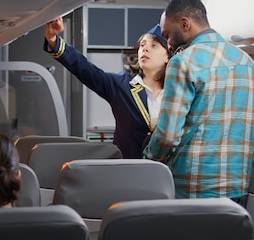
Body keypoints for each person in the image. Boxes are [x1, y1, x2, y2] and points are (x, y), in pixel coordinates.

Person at [143, 0, 254, 201]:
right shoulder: (248, 62)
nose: (169, 43)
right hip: (237, 185)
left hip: (192, 186)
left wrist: (148, 158)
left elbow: (168, 135)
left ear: (184, 23)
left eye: (168, 34)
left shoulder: (183, 62)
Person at [43, 17, 172, 158]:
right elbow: (85, 70)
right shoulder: (121, 85)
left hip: (166, 171)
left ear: (168, 56)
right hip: (127, 170)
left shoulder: (177, 89)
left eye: (154, 46)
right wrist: (53, 40)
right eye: (142, 45)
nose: (145, 49)